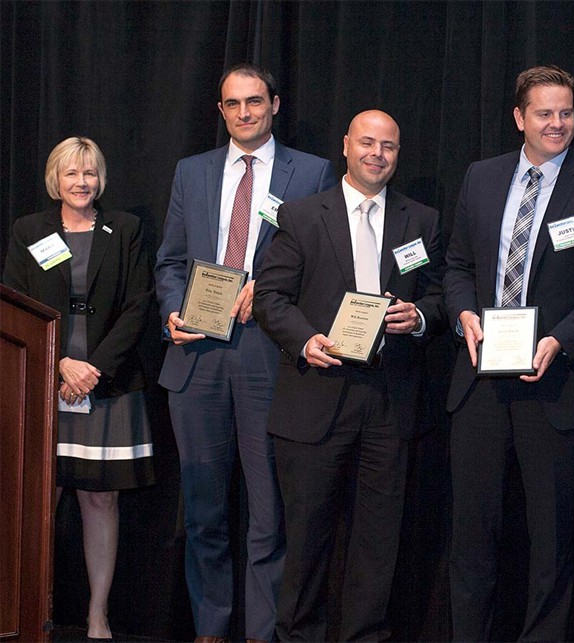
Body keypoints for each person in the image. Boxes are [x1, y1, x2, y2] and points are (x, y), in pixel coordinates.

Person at [444, 64, 574, 641]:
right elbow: (456, 267)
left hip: (555, 385)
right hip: (479, 383)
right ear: (519, 118)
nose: (557, 123)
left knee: (551, 542)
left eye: (566, 113)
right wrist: (464, 317)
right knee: (473, 538)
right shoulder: (480, 177)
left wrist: (561, 340)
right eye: (545, 113)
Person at [154, 63, 335, 643]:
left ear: (275, 104)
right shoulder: (192, 171)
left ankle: (262, 632)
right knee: (204, 513)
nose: (244, 113)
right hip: (197, 359)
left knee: (269, 514)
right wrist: (171, 313)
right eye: (233, 104)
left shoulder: (310, 172)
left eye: (254, 102)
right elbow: (171, 262)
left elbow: (323, 265)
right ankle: (210, 628)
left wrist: (273, 289)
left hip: (268, 358)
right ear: (221, 110)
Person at [253, 109, 445, 641]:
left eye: (388, 146)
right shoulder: (300, 214)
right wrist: (305, 339)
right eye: (367, 142)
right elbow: (270, 297)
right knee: (308, 542)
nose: (377, 154)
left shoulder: (421, 220)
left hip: (389, 404)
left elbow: (439, 295)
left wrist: (421, 316)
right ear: (346, 145)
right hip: (316, 397)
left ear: (398, 154)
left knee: (378, 545)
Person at [3, 136, 155, 641]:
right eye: (71, 174)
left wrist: (93, 368)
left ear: (100, 179)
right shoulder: (29, 230)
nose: (81, 182)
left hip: (107, 386)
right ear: (56, 179)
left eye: (89, 174)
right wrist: (62, 363)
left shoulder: (126, 229)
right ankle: (29, 609)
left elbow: (139, 306)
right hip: (45, 382)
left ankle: (97, 615)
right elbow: (15, 305)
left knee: (100, 500)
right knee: (39, 497)